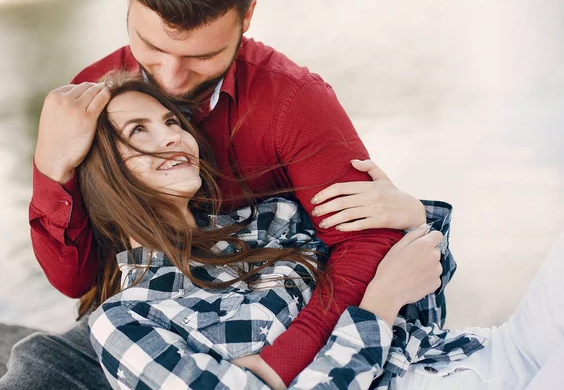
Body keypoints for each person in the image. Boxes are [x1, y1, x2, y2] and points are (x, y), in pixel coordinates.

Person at [10, 0, 428, 388]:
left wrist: (278, 364)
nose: (171, 78)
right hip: (156, 317)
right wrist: (50, 166)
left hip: (279, 305)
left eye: (202, 56)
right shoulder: (90, 96)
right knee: (38, 366)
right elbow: (77, 279)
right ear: (129, 2)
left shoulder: (294, 100)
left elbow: (368, 240)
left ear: (245, 18)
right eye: (151, 46)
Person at [79, 76, 561, 390]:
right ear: (102, 174)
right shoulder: (128, 320)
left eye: (170, 121)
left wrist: (413, 221)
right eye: (138, 131)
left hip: (489, 351)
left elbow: (425, 309)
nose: (170, 136)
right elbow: (387, 301)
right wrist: (376, 309)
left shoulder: (271, 218)